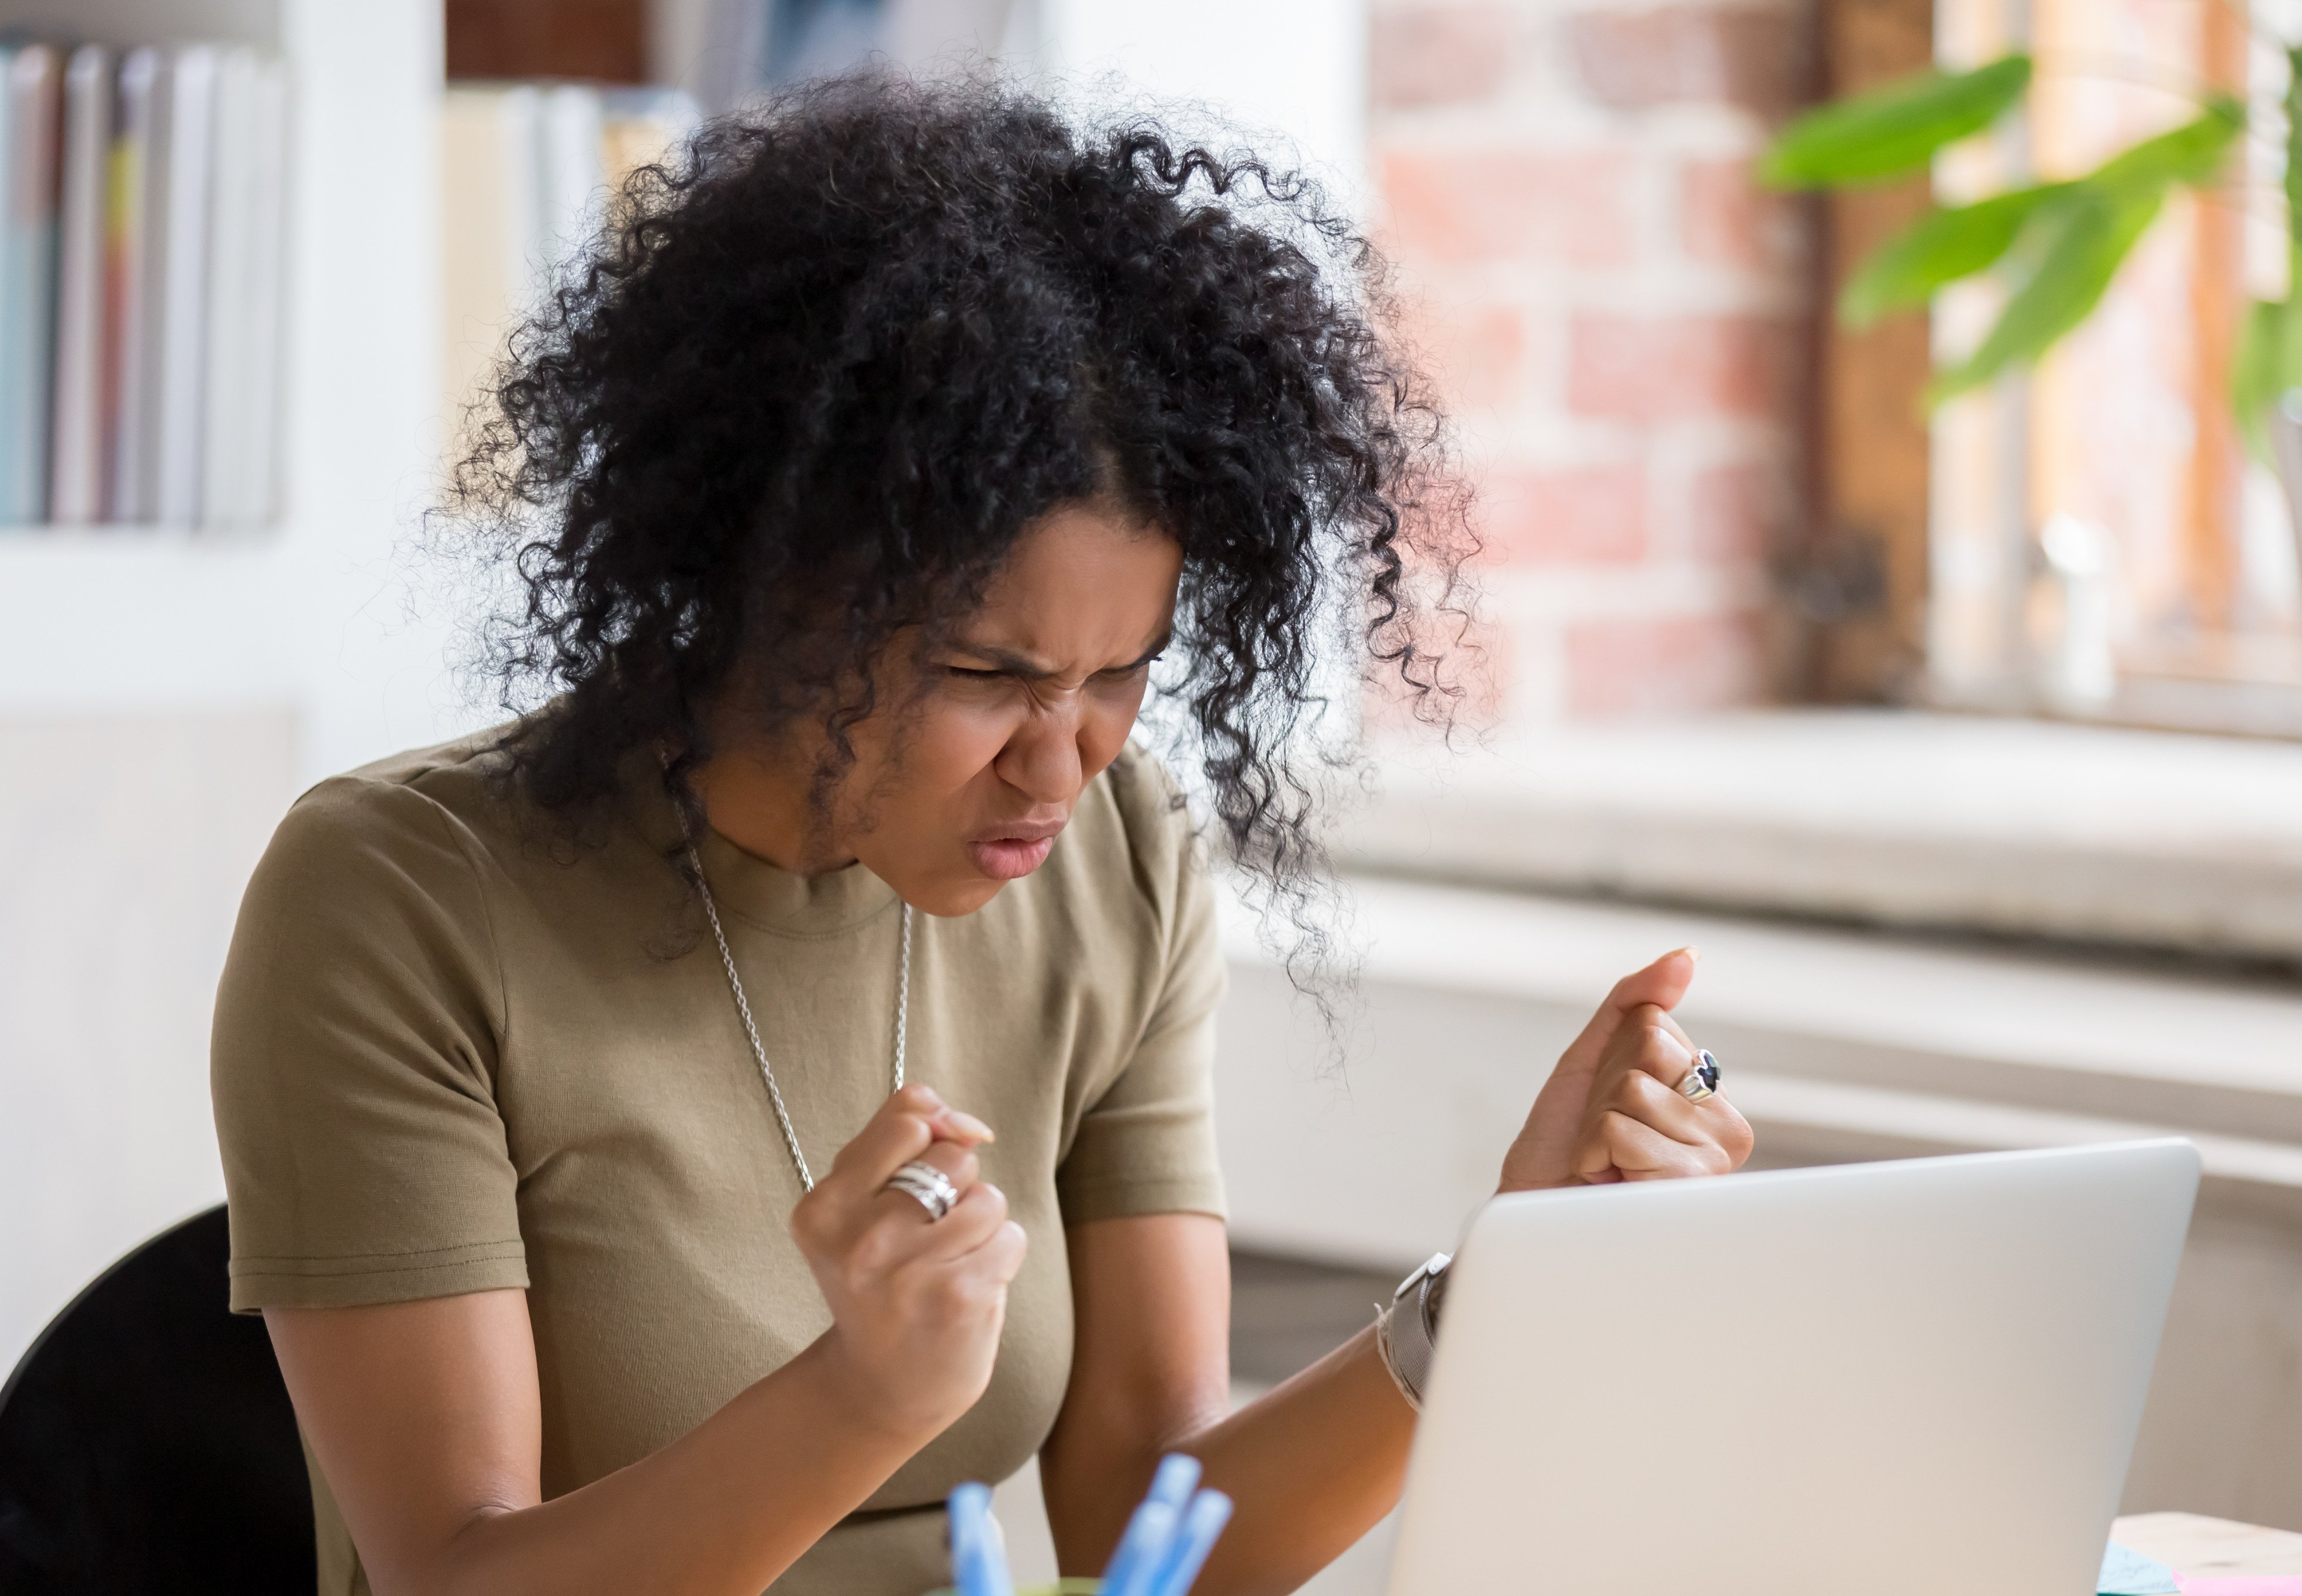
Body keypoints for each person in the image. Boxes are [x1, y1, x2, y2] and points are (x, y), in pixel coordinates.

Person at [209, 74, 1753, 1596]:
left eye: (1119, 673)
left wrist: (1490, 1296)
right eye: (989, 677)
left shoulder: (1115, 858)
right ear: (777, 590)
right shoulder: (401, 898)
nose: (1063, 759)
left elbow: (1152, 1523)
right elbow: (453, 1579)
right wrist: (860, 1395)